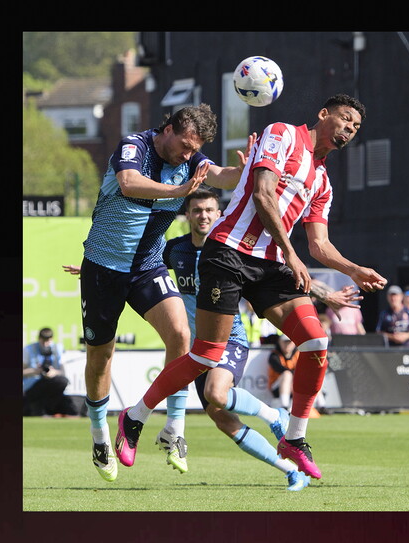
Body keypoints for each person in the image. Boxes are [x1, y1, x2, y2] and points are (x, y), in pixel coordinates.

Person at [114, 94, 388, 481]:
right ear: (323, 114)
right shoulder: (283, 134)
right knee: (206, 355)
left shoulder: (323, 181)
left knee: (316, 341)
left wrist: (353, 269)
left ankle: (295, 438)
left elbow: (319, 245)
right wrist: (290, 254)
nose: (349, 128)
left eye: (356, 126)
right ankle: (135, 416)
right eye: (345, 119)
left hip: (271, 265)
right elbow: (262, 194)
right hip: (228, 252)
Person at [71, 104, 254, 482]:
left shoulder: (191, 161)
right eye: (185, 146)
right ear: (168, 129)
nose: (189, 156)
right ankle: (99, 435)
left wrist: (246, 171)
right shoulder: (133, 146)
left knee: (182, 334)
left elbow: (220, 176)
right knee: (101, 356)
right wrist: (179, 190)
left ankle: (174, 428)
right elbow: (128, 183)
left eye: (195, 150)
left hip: (146, 267)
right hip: (104, 267)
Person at [164, 188, 309, 490]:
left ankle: (274, 415)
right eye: (197, 210)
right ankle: (292, 471)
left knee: (217, 393)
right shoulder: (175, 250)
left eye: (209, 210)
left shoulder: (233, 251)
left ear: (219, 214)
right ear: (187, 215)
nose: (203, 216)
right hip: (197, 349)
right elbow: (141, 268)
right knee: (223, 420)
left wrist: (323, 294)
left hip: (230, 339)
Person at [22, 327, 72, 417]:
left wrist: (54, 372)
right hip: (33, 385)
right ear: (39, 339)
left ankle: (48, 409)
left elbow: (63, 372)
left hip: (51, 382)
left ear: (52, 339)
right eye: (43, 341)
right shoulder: (28, 349)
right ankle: (37, 410)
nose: (45, 344)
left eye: (48, 341)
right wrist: (35, 371)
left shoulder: (58, 349)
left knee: (62, 381)